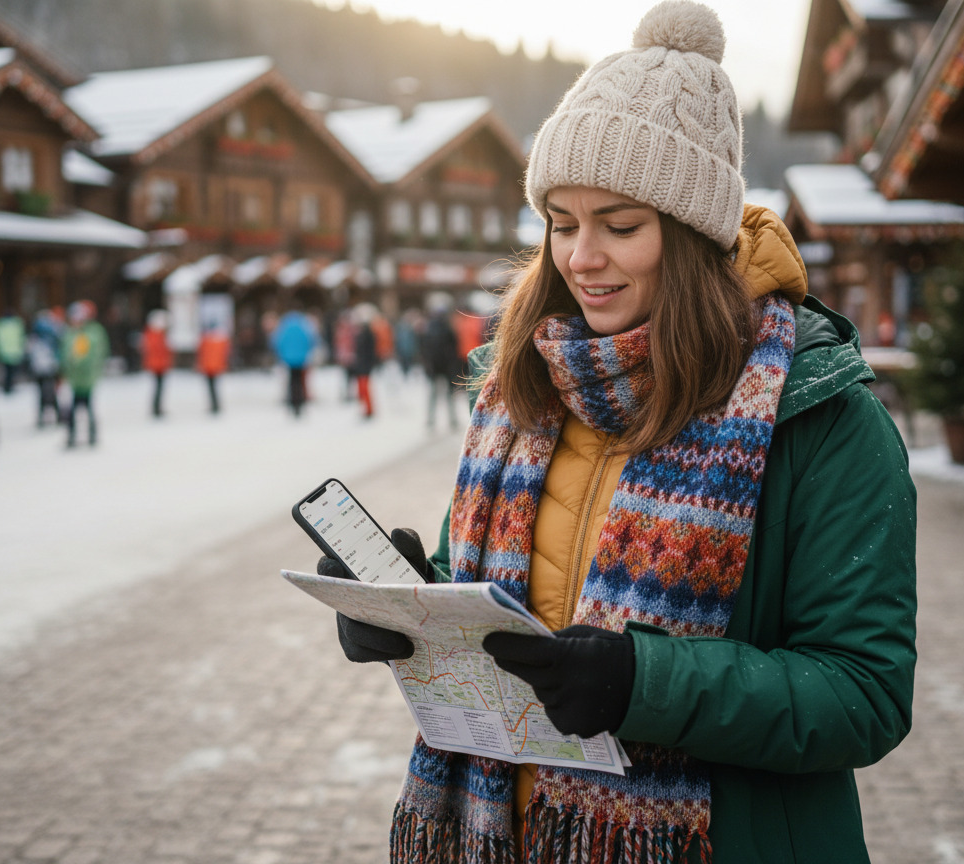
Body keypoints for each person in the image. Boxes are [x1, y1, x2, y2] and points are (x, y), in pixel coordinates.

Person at [318, 3, 918, 862]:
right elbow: (512, 612)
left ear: (693, 234)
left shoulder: (822, 418)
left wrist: (647, 683)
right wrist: (411, 609)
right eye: (562, 224)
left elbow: (864, 694)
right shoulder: (523, 388)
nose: (581, 257)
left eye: (621, 226)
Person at [61, 300, 108, 448]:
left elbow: (97, 354)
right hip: (75, 379)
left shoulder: (93, 333)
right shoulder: (71, 333)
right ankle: (72, 436)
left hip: (87, 378)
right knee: (75, 408)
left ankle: (91, 434)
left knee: (87, 407)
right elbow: (65, 354)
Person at [420, 292, 463, 430]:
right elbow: (425, 348)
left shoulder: (441, 328)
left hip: (442, 366)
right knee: (439, 394)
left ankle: (447, 419)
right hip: (439, 366)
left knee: (443, 394)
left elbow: (453, 347)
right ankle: (440, 419)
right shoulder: (434, 328)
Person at [272, 305, 318, 417]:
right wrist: (306, 352)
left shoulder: (284, 327)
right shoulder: (304, 327)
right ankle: (300, 401)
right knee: (300, 381)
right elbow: (311, 341)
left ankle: (292, 402)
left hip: (288, 359)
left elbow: (277, 342)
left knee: (292, 381)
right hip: (301, 359)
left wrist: (281, 354)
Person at [26, 309, 63, 427]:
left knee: (44, 393)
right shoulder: (53, 334)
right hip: (49, 367)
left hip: (42, 368)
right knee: (50, 393)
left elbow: (29, 352)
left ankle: (44, 417)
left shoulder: (36, 336)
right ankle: (54, 415)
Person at [141, 308, 173, 418]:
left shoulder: (155, 334)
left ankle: (157, 408)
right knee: (158, 388)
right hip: (157, 365)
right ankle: (156, 409)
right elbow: (157, 350)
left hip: (160, 365)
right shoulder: (154, 335)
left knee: (159, 388)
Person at [350, 303, 379, 419]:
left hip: (364, 365)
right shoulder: (363, 333)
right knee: (361, 389)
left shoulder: (367, 334)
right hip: (362, 364)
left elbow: (368, 351)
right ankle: (366, 408)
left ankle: (369, 409)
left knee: (365, 388)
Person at [196, 324, 231, 414]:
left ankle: (214, 405)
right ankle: (215, 405)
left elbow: (202, 353)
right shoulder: (221, 340)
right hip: (215, 367)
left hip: (209, 367)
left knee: (212, 388)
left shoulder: (206, 340)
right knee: (214, 387)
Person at [0, 308, 25, 394]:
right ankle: (9, 386)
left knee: (7, 371)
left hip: (4, 352)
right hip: (14, 352)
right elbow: (21, 337)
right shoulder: (17, 324)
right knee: (11, 372)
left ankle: (7, 386)